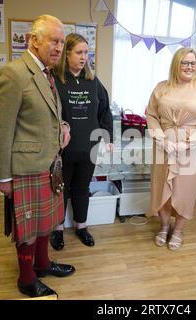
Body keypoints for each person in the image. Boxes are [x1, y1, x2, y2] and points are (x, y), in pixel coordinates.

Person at [0, 15, 75, 298]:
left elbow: (46, 115)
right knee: (27, 228)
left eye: (62, 42)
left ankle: (42, 264)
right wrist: (3, 177)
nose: (59, 47)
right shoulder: (13, 74)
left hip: (49, 164)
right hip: (25, 167)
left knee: (45, 222)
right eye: (54, 40)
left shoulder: (47, 73)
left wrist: (63, 125)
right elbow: (0, 129)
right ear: (33, 40)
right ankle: (26, 279)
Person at [146, 47, 196, 251]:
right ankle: (164, 225)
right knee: (162, 188)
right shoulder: (161, 87)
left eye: (193, 63)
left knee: (185, 190)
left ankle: (178, 230)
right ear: (176, 65)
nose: (189, 67)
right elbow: (151, 114)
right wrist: (161, 139)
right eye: (185, 63)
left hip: (192, 148)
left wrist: (186, 144)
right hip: (164, 145)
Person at [50, 33, 114, 250]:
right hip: (64, 149)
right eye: (79, 52)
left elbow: (105, 111)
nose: (83, 57)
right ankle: (57, 229)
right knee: (62, 189)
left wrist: (108, 137)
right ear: (66, 54)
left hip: (89, 148)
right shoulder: (55, 80)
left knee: (82, 188)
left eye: (86, 52)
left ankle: (81, 226)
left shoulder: (93, 81)